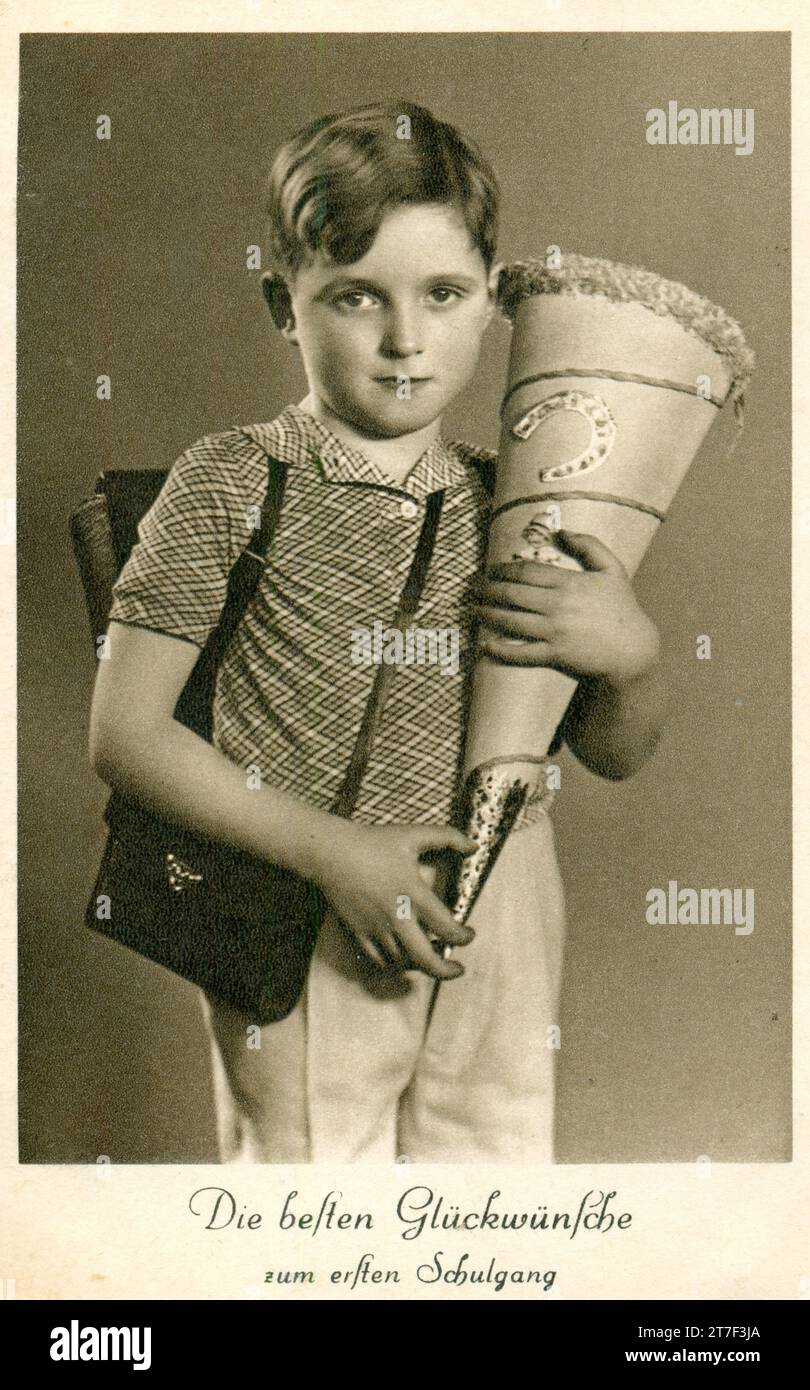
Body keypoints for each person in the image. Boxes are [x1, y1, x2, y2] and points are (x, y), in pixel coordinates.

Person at [89, 100, 668, 1163]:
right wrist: (338, 856)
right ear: (284, 303)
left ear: (491, 304)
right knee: (311, 1197)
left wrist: (631, 653)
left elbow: (615, 751)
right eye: (356, 297)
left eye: (443, 295)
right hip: (302, 889)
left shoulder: (521, 504)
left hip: (505, 903)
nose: (405, 339)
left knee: (500, 1188)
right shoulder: (228, 479)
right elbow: (123, 736)